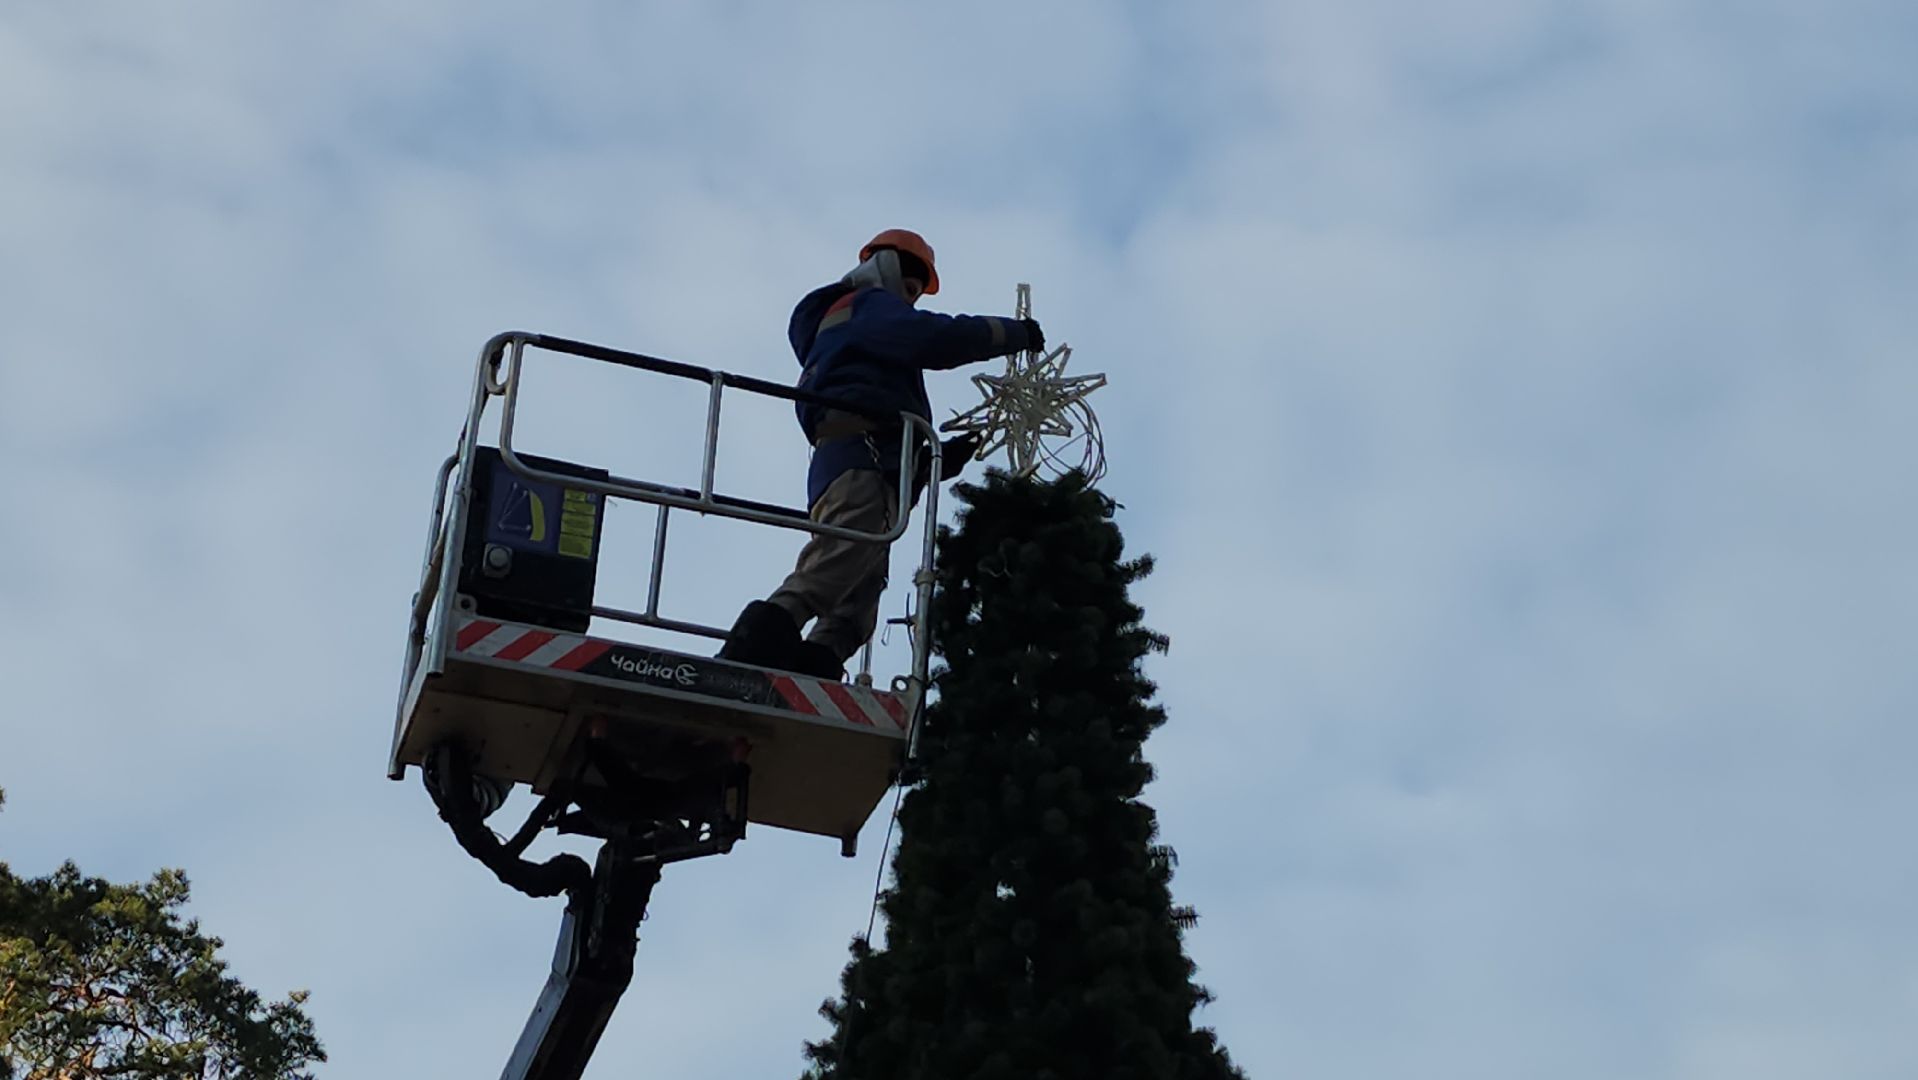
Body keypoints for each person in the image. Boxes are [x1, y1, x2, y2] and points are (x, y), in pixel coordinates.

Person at [717, 228, 1043, 679]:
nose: (910, 301)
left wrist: (935, 458)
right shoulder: (864, 307)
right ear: (887, 269)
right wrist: (1011, 333)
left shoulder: (857, 336)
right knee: (835, 563)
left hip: (872, 466)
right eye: (909, 289)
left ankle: (816, 666)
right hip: (860, 461)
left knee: (858, 597)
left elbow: (883, 403)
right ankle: (750, 654)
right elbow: (933, 338)